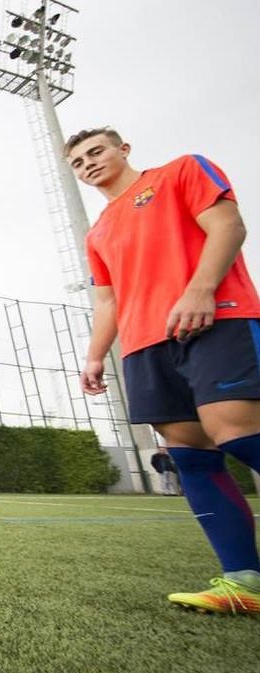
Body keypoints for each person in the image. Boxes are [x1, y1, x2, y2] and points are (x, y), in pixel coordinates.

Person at [70, 126, 260, 615]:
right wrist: (95, 355)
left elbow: (229, 226)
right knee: (191, 455)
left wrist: (200, 289)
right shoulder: (99, 232)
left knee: (236, 432)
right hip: (145, 347)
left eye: (97, 151)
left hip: (217, 319)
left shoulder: (181, 171)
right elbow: (107, 299)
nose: (89, 163)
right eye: (78, 161)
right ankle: (245, 583)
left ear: (123, 149)